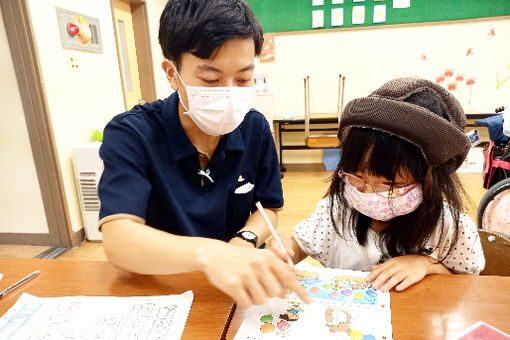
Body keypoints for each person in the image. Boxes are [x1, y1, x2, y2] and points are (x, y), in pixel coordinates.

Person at [98, 0, 310, 307]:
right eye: (211, 80)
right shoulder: (132, 133)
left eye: (243, 79)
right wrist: (213, 254)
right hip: (163, 289)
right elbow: (119, 242)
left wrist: (245, 240)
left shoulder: (254, 128)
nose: (228, 92)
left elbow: (268, 211)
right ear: (172, 73)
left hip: (235, 293)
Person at [268, 78, 485, 292]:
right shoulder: (335, 212)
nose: (368, 192)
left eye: (389, 184)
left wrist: (428, 265)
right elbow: (297, 247)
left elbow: (468, 283)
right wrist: (284, 250)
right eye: (357, 176)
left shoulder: (451, 229)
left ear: (431, 178)